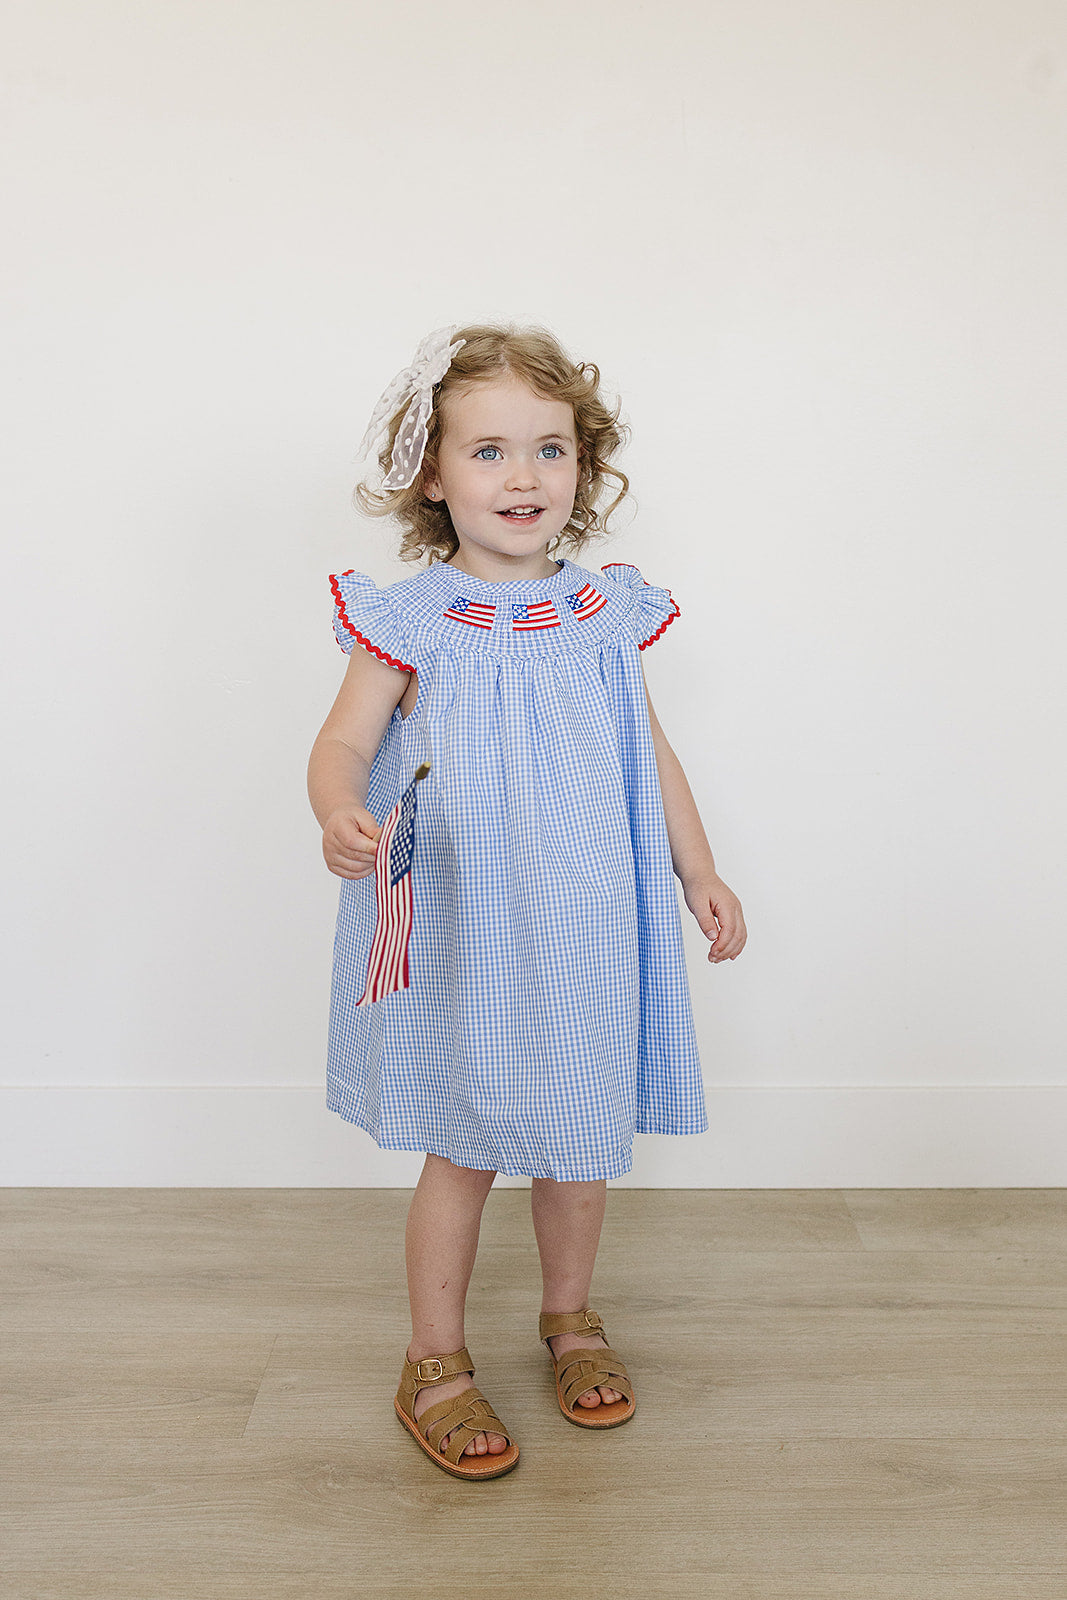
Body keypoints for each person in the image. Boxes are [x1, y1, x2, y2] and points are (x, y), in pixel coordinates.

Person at [307, 323, 747, 1480]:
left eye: (549, 449)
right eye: (488, 450)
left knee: (576, 1134)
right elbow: (342, 742)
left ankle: (568, 1313)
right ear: (431, 474)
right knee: (462, 1142)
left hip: (585, 920)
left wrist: (696, 869)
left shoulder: (602, 615)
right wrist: (339, 809)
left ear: (581, 468)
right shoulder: (408, 620)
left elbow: (648, 753)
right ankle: (433, 1357)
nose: (522, 476)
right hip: (467, 924)